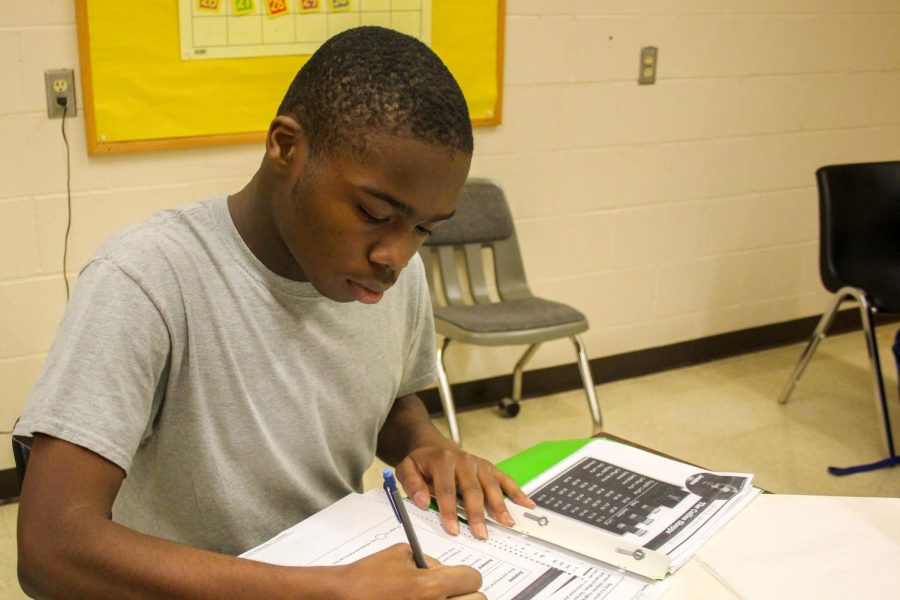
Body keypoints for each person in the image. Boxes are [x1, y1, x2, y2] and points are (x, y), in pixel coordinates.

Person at [14, 26, 534, 599]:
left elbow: (386, 400)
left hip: (329, 562)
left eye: (424, 229)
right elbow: (50, 549)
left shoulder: (392, 275)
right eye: (372, 211)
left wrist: (426, 444)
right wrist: (326, 592)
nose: (397, 254)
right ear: (287, 147)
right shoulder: (147, 278)